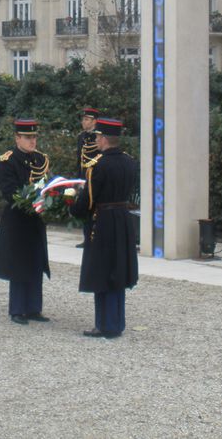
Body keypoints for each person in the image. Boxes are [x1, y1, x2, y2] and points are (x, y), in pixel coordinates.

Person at [71, 117, 139, 339]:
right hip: (123, 218)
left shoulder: (97, 165)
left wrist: (73, 206)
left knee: (102, 271)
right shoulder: (129, 162)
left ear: (102, 139)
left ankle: (105, 324)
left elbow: (89, 201)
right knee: (118, 269)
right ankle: (116, 322)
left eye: (98, 137)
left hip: (102, 221)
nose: (96, 140)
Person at [0, 119, 51, 325]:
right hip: (17, 218)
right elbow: (9, 192)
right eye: (27, 137)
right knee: (18, 263)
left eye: (34, 137)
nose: (32, 141)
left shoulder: (41, 159)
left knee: (35, 260)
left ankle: (34, 307)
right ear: (17, 138)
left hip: (35, 218)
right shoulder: (8, 160)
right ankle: (17, 308)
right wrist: (30, 201)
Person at [74, 107, 100, 249]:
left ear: (94, 121)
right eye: (83, 119)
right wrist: (78, 180)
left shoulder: (99, 137)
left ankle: (95, 237)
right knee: (85, 208)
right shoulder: (81, 137)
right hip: (84, 177)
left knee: (95, 209)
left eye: (87, 119)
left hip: (95, 177)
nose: (84, 122)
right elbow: (79, 160)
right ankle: (86, 237)